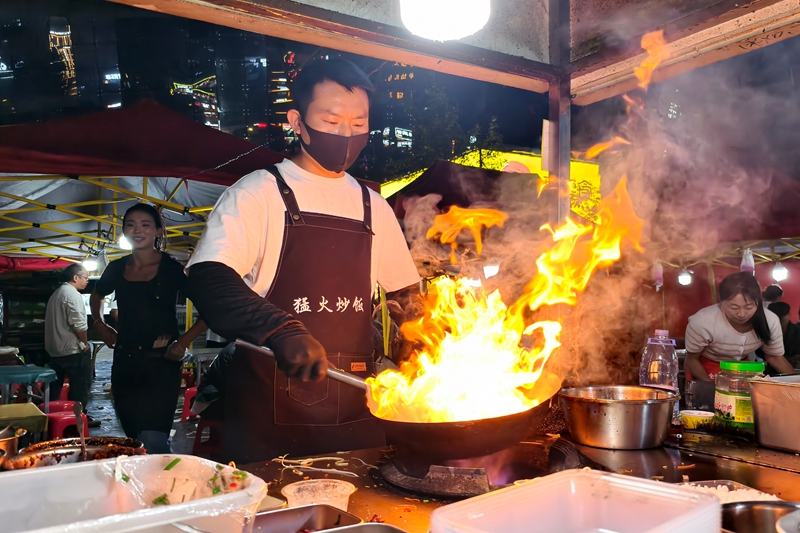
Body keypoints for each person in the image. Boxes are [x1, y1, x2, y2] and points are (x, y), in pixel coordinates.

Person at [186, 58, 421, 462]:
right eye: (331, 121)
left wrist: (423, 340)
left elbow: (405, 295)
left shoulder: (373, 204)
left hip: (356, 403)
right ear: (297, 121)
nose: (346, 134)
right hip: (270, 413)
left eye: (358, 123)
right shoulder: (259, 192)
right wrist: (280, 329)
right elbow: (208, 277)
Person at [90, 203, 206, 453]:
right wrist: (100, 325)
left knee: (154, 439)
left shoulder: (172, 269)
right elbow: (97, 295)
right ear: (124, 231)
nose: (137, 230)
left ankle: (160, 485)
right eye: (131, 225)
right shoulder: (117, 268)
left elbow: (208, 310)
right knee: (133, 437)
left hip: (161, 365)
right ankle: (138, 486)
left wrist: (183, 342)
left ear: (157, 231)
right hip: (125, 363)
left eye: (145, 225)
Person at [685, 272, 796, 381]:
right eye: (734, 307)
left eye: (748, 307)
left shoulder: (770, 321)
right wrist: (710, 388)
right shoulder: (703, 321)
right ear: (721, 302)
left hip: (741, 370)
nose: (741, 314)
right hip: (705, 368)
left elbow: (774, 357)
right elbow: (692, 360)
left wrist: (796, 383)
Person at [45, 263, 98, 426]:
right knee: (80, 387)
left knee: (55, 388)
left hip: (55, 351)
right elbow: (79, 325)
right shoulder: (72, 295)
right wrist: (84, 342)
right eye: (85, 278)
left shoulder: (56, 294)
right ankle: (77, 418)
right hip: (72, 351)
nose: (87, 281)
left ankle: (53, 418)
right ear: (76, 277)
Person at [767, 302, 800, 368]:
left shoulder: (798, 331)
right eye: (776, 315)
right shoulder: (764, 331)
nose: (779, 318)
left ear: (789, 314)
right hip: (770, 367)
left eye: (782, 315)